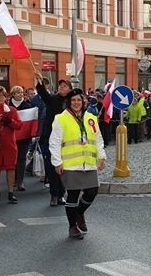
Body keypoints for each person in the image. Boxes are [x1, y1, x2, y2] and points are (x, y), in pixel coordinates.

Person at [49, 88, 107, 239]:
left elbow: (98, 138)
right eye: (73, 100)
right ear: (68, 102)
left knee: (92, 190)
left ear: (83, 102)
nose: (76, 103)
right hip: (70, 164)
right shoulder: (61, 118)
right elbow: (54, 142)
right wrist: (57, 162)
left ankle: (79, 213)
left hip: (88, 162)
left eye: (79, 100)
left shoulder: (91, 118)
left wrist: (102, 157)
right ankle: (72, 227)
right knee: (73, 196)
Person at [33, 67, 70, 206]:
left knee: (63, 169)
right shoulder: (52, 99)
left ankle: (61, 194)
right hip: (50, 138)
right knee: (52, 167)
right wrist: (39, 80)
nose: (62, 87)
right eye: (60, 86)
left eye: (65, 86)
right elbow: (43, 93)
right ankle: (54, 195)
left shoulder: (73, 102)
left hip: (66, 140)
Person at [9, 85, 34, 191]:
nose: (20, 94)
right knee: (13, 158)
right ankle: (13, 180)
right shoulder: (7, 106)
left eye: (21, 92)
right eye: (17, 92)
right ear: (13, 94)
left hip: (24, 137)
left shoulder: (28, 106)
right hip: (11, 136)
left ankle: (20, 181)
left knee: (22, 158)